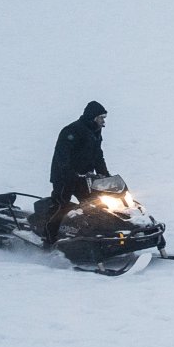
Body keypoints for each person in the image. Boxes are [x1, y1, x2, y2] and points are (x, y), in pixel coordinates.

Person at [42, 101, 109, 244]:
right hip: (64, 177)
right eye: (101, 117)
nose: (103, 121)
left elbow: (98, 156)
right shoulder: (72, 131)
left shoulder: (96, 132)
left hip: (84, 178)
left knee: (94, 205)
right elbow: (62, 155)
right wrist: (69, 173)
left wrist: (105, 175)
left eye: (104, 117)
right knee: (61, 206)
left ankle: (96, 237)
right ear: (92, 117)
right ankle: (48, 239)